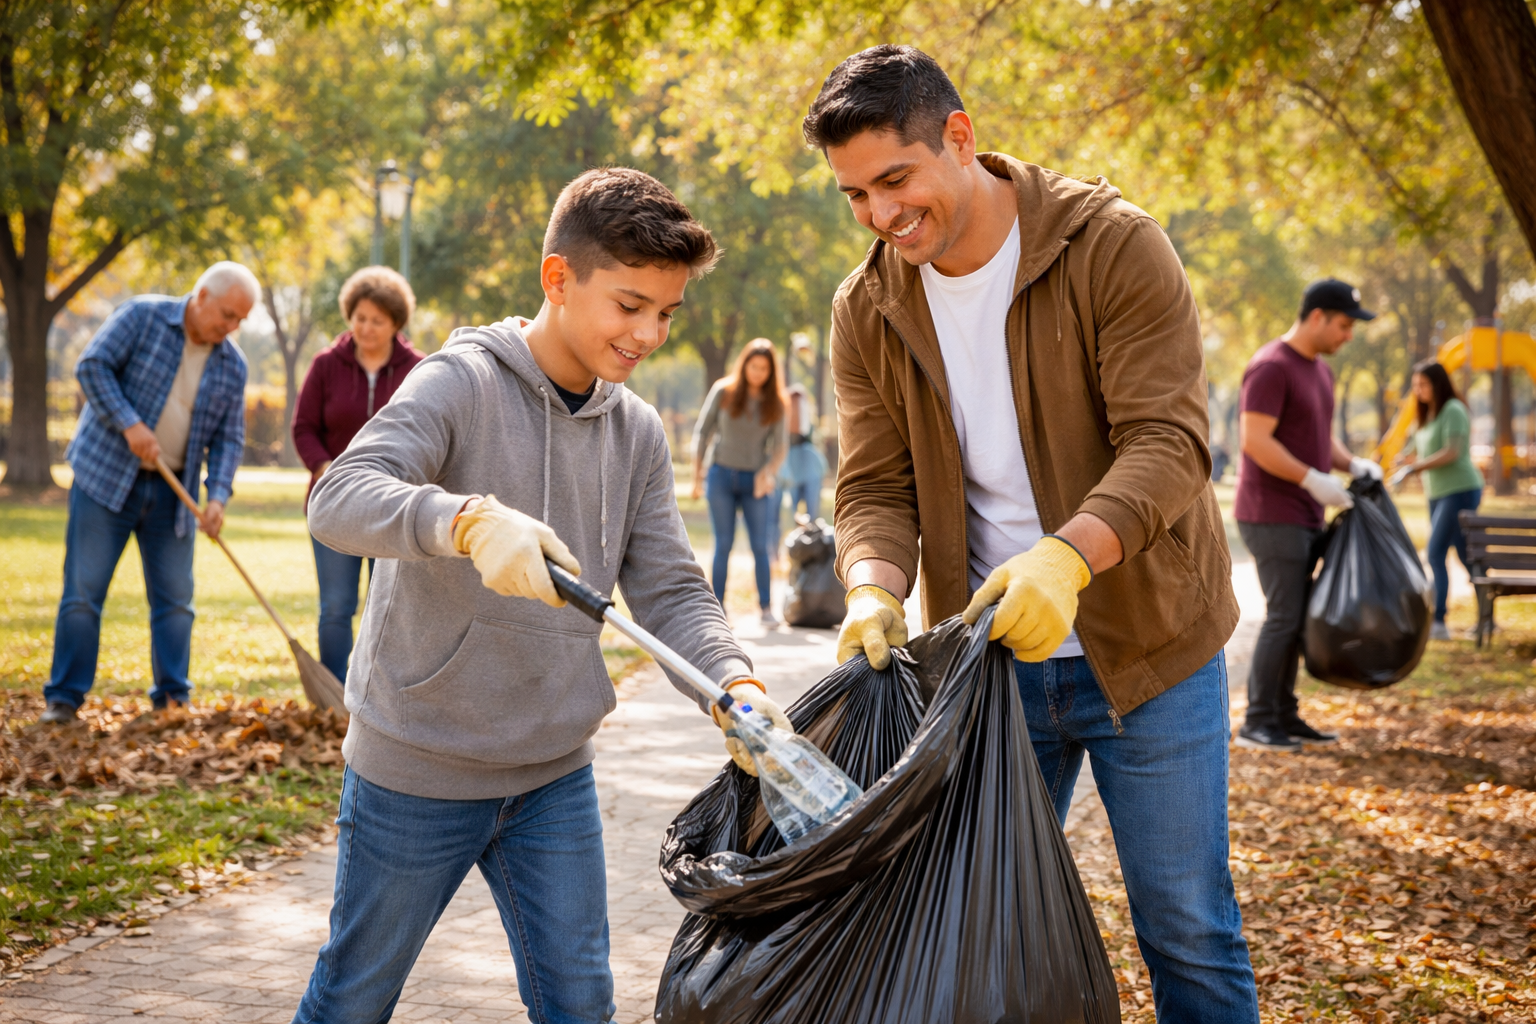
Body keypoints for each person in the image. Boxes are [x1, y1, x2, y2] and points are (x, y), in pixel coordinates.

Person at [809, 46, 1256, 1020]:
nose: (882, 215)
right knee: (969, 935)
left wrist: (1065, 555)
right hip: (993, 667)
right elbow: (874, 484)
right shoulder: (867, 306)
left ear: (959, 139)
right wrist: (873, 586)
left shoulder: (1113, 246)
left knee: (1185, 922)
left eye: (895, 179)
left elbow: (1170, 444)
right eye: (855, 195)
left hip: (1149, 652)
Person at [294, 168, 791, 1024]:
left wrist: (733, 682)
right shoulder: (462, 382)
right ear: (558, 279)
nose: (648, 334)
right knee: (352, 1002)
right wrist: (464, 520)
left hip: (552, 776)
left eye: (666, 313)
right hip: (419, 767)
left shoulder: (636, 430)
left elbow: (671, 587)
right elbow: (338, 498)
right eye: (630, 305)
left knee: (580, 1006)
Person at [40, 263, 255, 724]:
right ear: (200, 295)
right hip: (105, 479)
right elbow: (92, 366)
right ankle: (64, 699)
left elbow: (230, 439)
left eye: (240, 320)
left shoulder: (232, 365)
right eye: (227, 314)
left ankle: (172, 700)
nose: (232, 326)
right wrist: (130, 424)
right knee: (83, 592)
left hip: (173, 495)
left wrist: (216, 496)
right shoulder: (141, 317)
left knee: (176, 600)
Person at [1235, 278, 1383, 752]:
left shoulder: (1320, 372)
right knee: (1283, 616)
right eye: (1343, 325)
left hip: (1303, 512)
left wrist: (1350, 463)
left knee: (1298, 617)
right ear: (1317, 316)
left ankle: (1285, 714)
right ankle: (1258, 721)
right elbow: (1255, 441)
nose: (1348, 336)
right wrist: (1311, 480)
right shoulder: (1271, 367)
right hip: (1270, 512)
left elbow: (1318, 437)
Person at [291, 266, 425, 680]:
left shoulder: (418, 369)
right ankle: (335, 696)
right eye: (360, 318)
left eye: (377, 321)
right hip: (334, 503)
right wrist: (327, 469)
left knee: (388, 607)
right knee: (336, 606)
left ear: (396, 324)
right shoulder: (326, 365)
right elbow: (304, 428)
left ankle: (379, 692)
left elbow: (426, 430)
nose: (366, 328)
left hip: (391, 507)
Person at [690, 337, 788, 624]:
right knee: (723, 544)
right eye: (753, 366)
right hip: (720, 475)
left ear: (771, 372)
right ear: (744, 364)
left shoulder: (776, 403)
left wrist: (768, 472)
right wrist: (698, 475)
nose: (757, 373)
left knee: (761, 545)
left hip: (754, 482)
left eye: (764, 369)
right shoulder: (723, 391)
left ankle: (766, 609)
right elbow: (701, 433)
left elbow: (780, 446)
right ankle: (718, 609)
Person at [1391, 359, 1483, 640]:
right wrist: (1403, 460)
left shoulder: (1453, 410)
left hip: (1461, 490)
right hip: (1437, 493)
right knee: (1466, 555)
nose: (1418, 391)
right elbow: (1414, 448)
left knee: (1434, 552)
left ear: (1438, 383)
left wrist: (1414, 467)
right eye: (1415, 386)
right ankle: (1487, 615)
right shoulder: (1425, 415)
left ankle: (1439, 621)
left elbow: (1451, 452)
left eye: (1423, 385)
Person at [770, 383, 828, 554]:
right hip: (788, 465)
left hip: (808, 464)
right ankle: (778, 553)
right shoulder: (780, 417)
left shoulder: (807, 421)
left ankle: (812, 550)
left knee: (812, 514)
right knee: (786, 512)